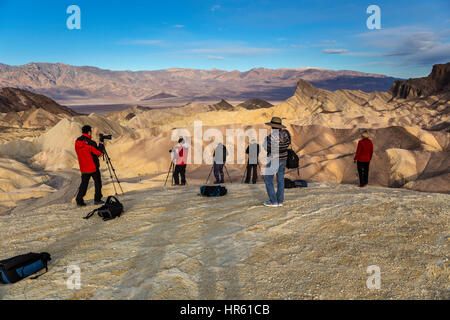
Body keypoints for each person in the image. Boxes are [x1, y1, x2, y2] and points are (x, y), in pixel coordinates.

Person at [263, 117, 291, 208]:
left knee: (268, 180)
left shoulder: (272, 137)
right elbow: (288, 144)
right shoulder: (286, 134)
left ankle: (273, 201)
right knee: (280, 180)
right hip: (283, 159)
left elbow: (267, 147)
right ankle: (280, 201)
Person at [75, 125, 104, 207]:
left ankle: (79, 200)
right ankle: (97, 199)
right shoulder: (91, 143)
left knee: (84, 184)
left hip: (83, 167)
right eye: (91, 132)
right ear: (89, 132)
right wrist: (101, 143)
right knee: (98, 183)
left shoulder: (77, 142)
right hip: (93, 167)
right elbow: (99, 153)